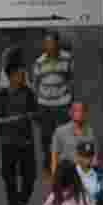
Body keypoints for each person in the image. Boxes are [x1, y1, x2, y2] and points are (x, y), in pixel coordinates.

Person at [0, 56, 39, 205]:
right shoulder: (3, 94)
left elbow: (35, 113)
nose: (22, 77)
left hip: (27, 141)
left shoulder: (28, 92)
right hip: (8, 143)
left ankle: (23, 203)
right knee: (10, 177)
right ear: (11, 76)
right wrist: (15, 119)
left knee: (30, 175)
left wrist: (31, 116)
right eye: (19, 75)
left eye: (23, 74)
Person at [31, 30, 73, 163]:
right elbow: (35, 83)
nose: (50, 46)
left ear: (57, 44)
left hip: (62, 103)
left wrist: (70, 99)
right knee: (46, 136)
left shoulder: (67, 58)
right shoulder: (39, 62)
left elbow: (71, 78)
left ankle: (64, 162)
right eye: (47, 43)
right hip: (45, 105)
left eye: (52, 43)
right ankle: (48, 162)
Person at [50, 101, 91, 174]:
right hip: (66, 171)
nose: (80, 113)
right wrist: (54, 175)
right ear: (70, 113)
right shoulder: (60, 131)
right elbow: (54, 156)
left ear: (86, 113)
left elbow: (93, 155)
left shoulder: (90, 132)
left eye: (82, 110)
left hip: (85, 172)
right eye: (76, 111)